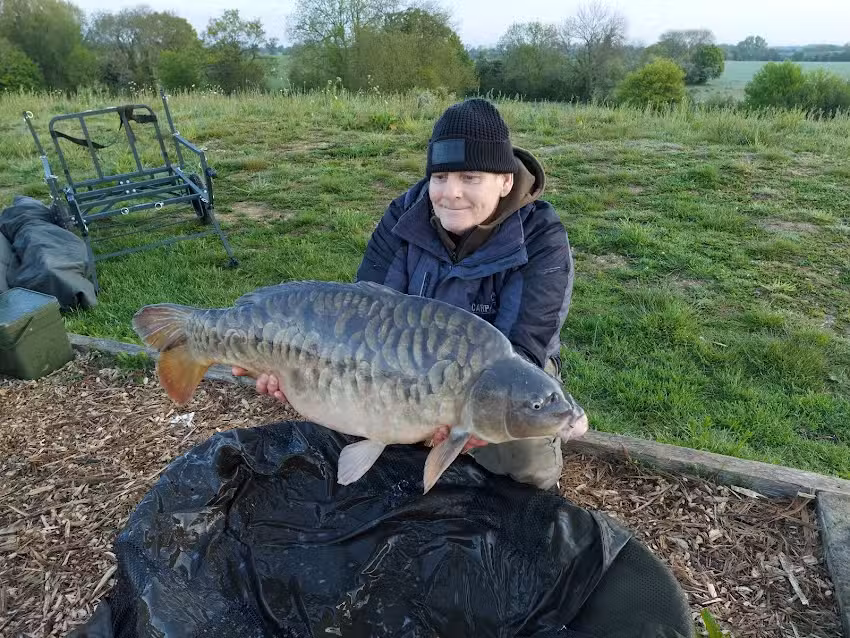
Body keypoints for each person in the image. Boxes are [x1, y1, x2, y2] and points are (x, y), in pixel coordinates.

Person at [234, 97, 576, 491]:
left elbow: (526, 346)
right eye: (440, 177)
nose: (451, 193)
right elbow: (360, 317)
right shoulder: (405, 216)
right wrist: (290, 363)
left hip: (496, 371)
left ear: (505, 180)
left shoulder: (540, 235)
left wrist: (473, 419)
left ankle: (515, 507)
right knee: (340, 396)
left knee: (524, 451)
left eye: (470, 178)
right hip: (403, 365)